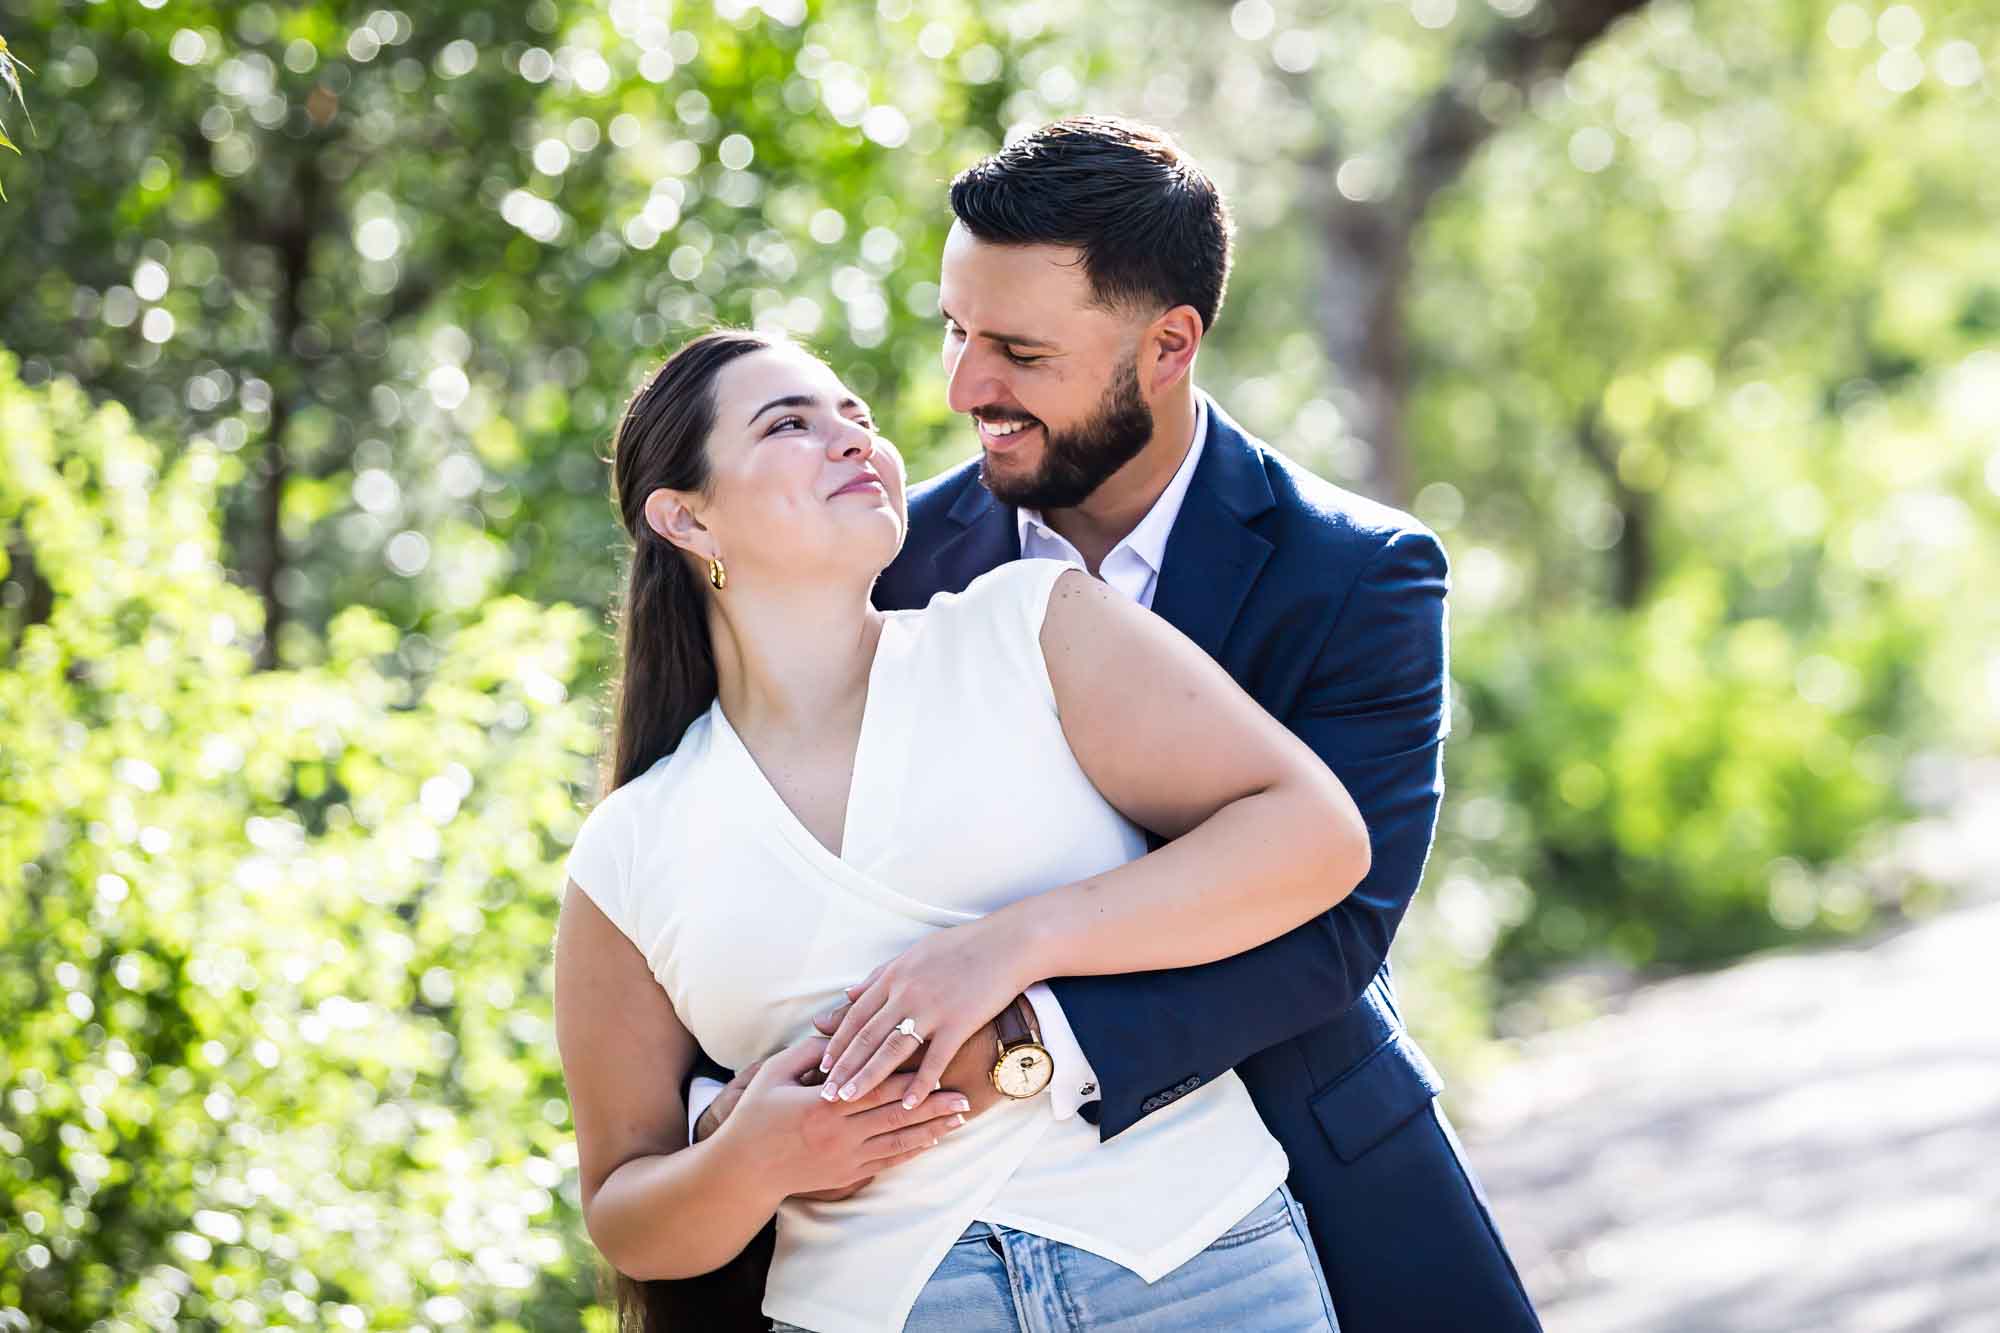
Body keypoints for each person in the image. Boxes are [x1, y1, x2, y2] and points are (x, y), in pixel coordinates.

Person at [694, 116, 1543, 1333]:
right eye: (954, 330)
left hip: (1316, 1170)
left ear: (1167, 343)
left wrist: (1018, 1037)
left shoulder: (1358, 575)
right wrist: (730, 1113)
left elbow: (1335, 928)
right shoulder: (886, 564)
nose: (962, 387)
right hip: (950, 1239)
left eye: (1019, 351)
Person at [554, 328, 1370, 1332]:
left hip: (1197, 1265)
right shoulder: (629, 847)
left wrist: (1009, 945)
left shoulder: (1030, 629)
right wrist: (753, 1159)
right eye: (790, 425)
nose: (854, 438)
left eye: (854, 415)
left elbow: (1315, 835)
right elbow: (626, 1212)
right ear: (684, 517)